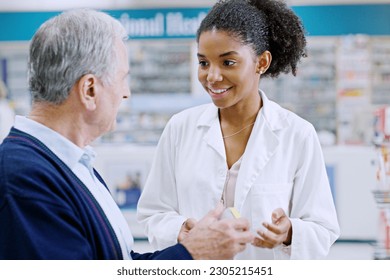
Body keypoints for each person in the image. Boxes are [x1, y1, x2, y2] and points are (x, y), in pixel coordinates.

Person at [0, 9, 254, 260]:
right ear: (89, 90)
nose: (126, 93)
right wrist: (190, 254)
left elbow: (117, 263)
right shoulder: (24, 180)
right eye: (122, 79)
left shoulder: (71, 165)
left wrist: (189, 249)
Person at [137, 0, 340, 260]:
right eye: (203, 63)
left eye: (228, 63)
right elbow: (153, 212)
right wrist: (180, 229)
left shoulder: (297, 134)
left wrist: (289, 232)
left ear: (261, 62)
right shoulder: (180, 128)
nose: (212, 76)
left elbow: (323, 228)